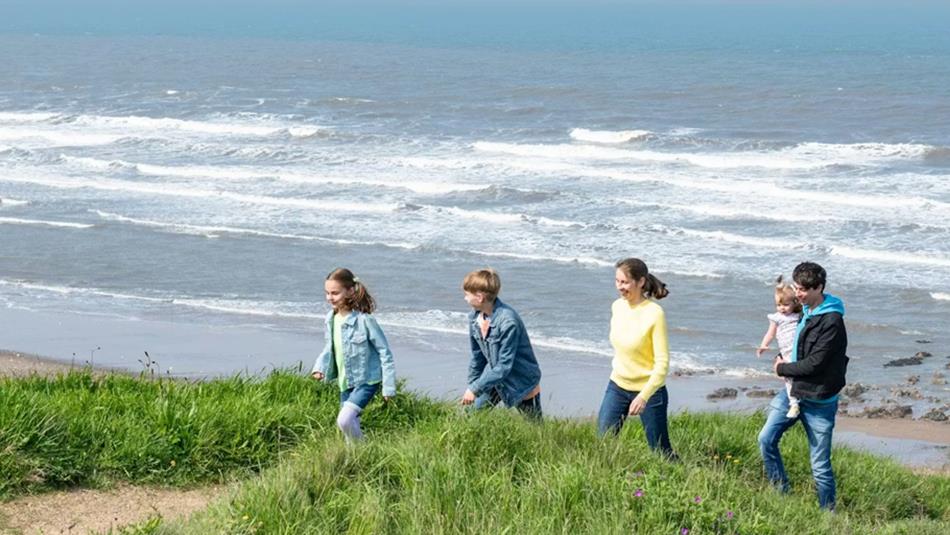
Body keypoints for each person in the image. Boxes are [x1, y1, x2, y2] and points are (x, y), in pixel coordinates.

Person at [758, 261, 848, 510]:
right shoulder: (804, 311)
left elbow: (815, 364)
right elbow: (791, 341)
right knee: (766, 439)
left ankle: (827, 516)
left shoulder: (831, 321)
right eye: (796, 288)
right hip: (793, 393)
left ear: (819, 288)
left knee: (820, 466)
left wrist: (781, 368)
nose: (798, 294)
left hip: (819, 400)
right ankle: (781, 493)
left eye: (804, 290)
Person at [597, 258, 675, 458]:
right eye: (617, 281)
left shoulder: (654, 314)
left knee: (660, 451)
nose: (620, 287)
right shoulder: (617, 307)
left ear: (640, 282)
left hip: (649, 390)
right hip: (617, 385)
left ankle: (687, 480)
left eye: (625, 282)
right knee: (603, 443)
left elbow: (662, 363)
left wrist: (644, 395)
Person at [311, 268, 396, 442]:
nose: (330, 298)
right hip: (345, 382)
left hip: (366, 380)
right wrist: (319, 367)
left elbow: (385, 352)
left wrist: (388, 386)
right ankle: (356, 458)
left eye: (335, 293)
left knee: (344, 420)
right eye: (327, 293)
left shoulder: (365, 320)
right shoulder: (331, 318)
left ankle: (362, 450)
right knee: (350, 424)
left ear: (350, 291)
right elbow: (329, 347)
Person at [460, 268, 543, 419]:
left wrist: (475, 389)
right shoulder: (474, 318)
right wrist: (472, 386)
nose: (465, 298)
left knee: (536, 431)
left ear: (479, 297)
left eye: (467, 295)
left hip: (521, 382)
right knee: (470, 418)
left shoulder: (508, 322)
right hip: (494, 379)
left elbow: (504, 365)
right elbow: (477, 358)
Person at [756, 275, 804, 418]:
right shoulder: (776, 318)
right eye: (779, 305)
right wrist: (763, 345)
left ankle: (801, 397)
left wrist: (795, 290)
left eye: (785, 305)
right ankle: (794, 404)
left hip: (797, 350)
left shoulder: (798, 316)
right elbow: (770, 333)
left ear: (794, 303)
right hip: (785, 351)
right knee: (788, 377)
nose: (782, 308)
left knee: (799, 373)